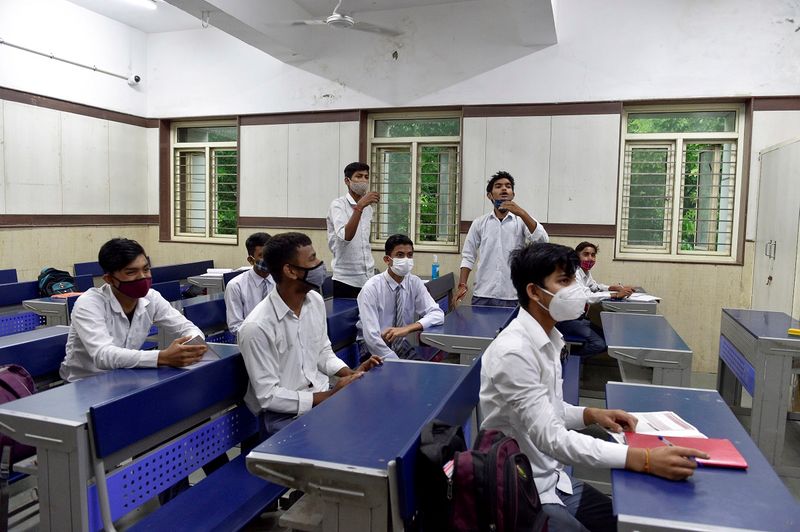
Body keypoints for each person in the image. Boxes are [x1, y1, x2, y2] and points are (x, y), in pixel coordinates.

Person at [479, 242, 707, 531]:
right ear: (534, 292)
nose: (575, 290)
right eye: (564, 281)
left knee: (619, 523)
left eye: (574, 280)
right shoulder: (514, 352)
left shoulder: (549, 338)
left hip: (555, 480)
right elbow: (553, 439)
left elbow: (548, 409)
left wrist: (591, 414)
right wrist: (643, 458)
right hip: (524, 490)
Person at [238, 232, 383, 437]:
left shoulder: (314, 300)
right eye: (312, 258)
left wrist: (351, 374)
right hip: (284, 417)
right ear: (290, 271)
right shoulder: (256, 327)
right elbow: (269, 397)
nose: (320, 264)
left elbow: (323, 352)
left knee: (376, 423)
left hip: (321, 397)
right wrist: (331, 395)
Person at [60, 238, 207, 382]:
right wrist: (162, 357)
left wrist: (192, 345)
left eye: (146, 269)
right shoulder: (89, 303)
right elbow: (103, 355)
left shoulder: (152, 298)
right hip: (85, 383)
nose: (142, 277)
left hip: (125, 376)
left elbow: (187, 328)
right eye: (131, 272)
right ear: (109, 279)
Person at [457, 171, 549, 308]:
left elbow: (543, 242)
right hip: (483, 294)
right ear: (490, 195)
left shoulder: (522, 221)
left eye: (508, 186)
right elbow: (468, 256)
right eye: (498, 186)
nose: (504, 189)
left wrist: (522, 213)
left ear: (513, 194)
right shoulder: (479, 223)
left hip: (513, 295)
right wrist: (462, 284)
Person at [356, 234, 444, 360]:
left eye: (410, 255)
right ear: (387, 260)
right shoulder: (371, 288)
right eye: (400, 255)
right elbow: (371, 337)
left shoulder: (414, 282)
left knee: (422, 369)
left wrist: (407, 329)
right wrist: (397, 363)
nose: (406, 259)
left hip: (400, 343)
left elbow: (437, 314)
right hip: (373, 346)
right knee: (399, 370)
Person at [326, 162, 380, 298]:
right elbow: (345, 237)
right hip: (346, 280)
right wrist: (359, 207)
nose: (363, 181)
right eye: (359, 176)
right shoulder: (338, 205)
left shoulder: (368, 208)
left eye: (366, 177)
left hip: (368, 277)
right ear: (347, 181)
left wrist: (362, 206)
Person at [225, 232, 274, 335]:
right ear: (251, 260)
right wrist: (263, 336)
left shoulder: (282, 282)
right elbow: (235, 326)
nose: (268, 259)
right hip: (251, 339)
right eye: (261, 255)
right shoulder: (236, 286)